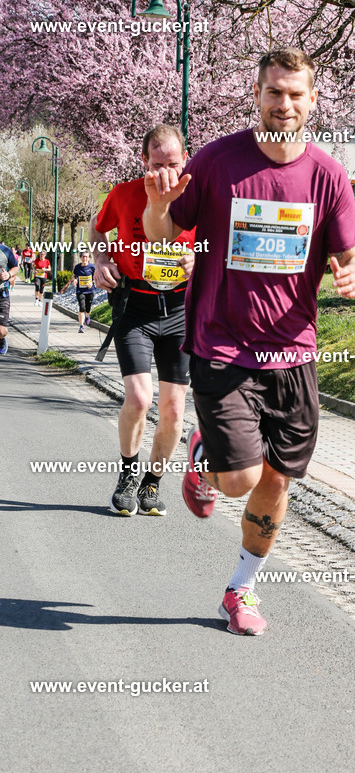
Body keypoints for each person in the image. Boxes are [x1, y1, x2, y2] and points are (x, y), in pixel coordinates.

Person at [143, 47, 355, 636]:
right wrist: (158, 205)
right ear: (257, 93)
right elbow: (165, 237)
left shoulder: (327, 175)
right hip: (222, 346)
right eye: (274, 93)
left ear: (312, 100)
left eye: (296, 95)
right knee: (240, 478)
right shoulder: (219, 161)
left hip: (292, 353)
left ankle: (240, 591)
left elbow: (351, 252)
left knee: (276, 480)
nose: (284, 104)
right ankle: (203, 457)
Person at [91, 124, 196, 517]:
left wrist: (197, 259)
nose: (166, 173)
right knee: (138, 397)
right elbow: (98, 230)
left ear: (185, 159)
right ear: (143, 162)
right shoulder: (123, 194)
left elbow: (219, 245)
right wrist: (101, 261)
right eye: (156, 165)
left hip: (181, 310)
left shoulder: (197, 197)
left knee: (172, 410)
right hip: (135, 306)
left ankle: (152, 483)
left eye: (173, 163)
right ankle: (127, 474)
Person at [63, 250, 96, 332]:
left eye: (86, 257)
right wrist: (74, 280)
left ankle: (87, 315)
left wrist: (91, 283)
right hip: (80, 291)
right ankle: (81, 326)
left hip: (90, 291)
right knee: (82, 307)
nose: (85, 258)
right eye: (83, 256)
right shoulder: (77, 267)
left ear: (89, 258)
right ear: (80, 258)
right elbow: (74, 276)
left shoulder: (92, 267)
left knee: (88, 308)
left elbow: (96, 278)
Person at [0, 241, 19, 355]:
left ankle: (1, 340)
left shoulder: (5, 250)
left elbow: (15, 267)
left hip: (2, 295)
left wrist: (8, 274)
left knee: (1, 331)